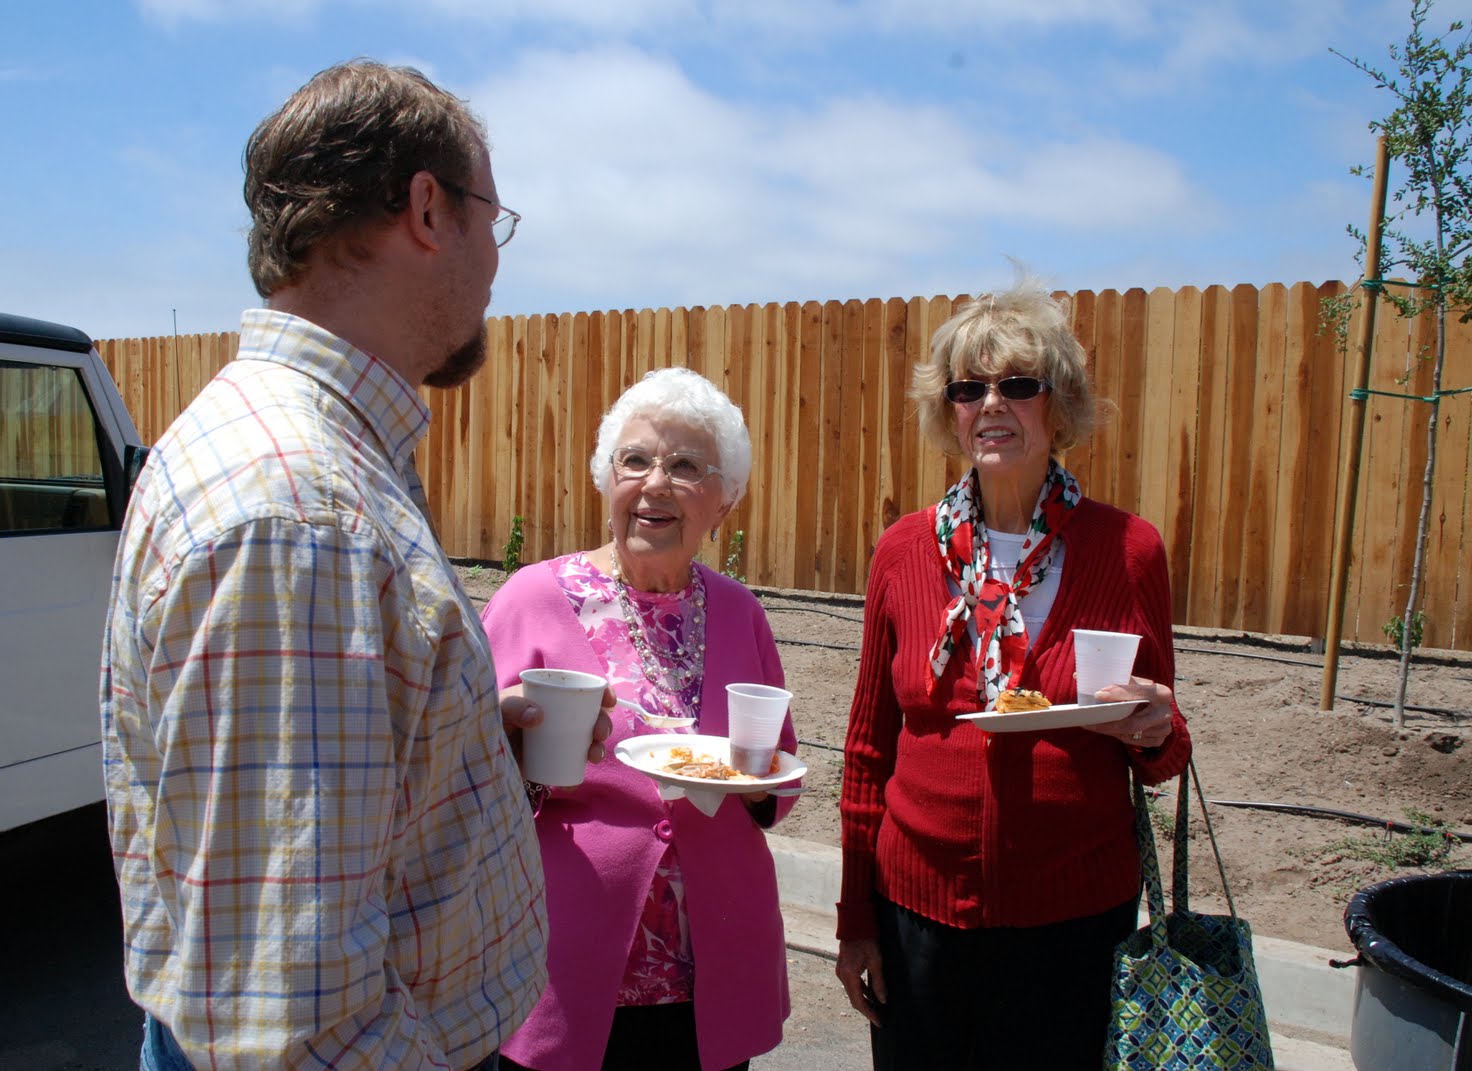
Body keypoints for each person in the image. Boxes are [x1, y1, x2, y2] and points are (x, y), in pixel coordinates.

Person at [101, 59, 606, 1071]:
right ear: (428, 209)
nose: (495, 265)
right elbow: (298, 1028)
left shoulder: (305, 460)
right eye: (493, 222)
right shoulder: (301, 513)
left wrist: (458, 746)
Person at [832, 277, 1193, 1070]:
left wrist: (1155, 727)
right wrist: (855, 918)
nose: (991, 404)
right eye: (969, 388)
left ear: (1058, 406)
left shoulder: (1128, 550)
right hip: (917, 919)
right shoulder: (903, 551)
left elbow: (1164, 752)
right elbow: (868, 750)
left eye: (1018, 385)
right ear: (950, 411)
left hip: (1073, 928)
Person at [481, 367, 796, 1071]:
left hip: (716, 969)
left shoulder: (740, 611)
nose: (655, 483)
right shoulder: (531, 598)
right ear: (607, 480)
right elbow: (462, 775)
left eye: (684, 466)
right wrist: (511, 754)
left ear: (724, 499)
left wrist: (757, 780)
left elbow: (779, 764)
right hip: (564, 966)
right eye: (635, 461)